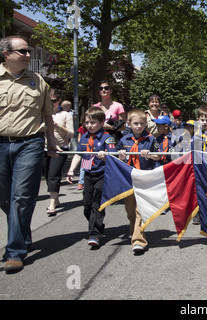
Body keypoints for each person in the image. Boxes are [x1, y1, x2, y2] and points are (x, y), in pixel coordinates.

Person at [0, 35, 61, 273]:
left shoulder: (39, 82)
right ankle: (23, 236)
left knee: (21, 197)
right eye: (23, 51)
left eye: (28, 51)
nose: (28, 55)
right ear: (7, 54)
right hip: (1, 145)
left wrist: (51, 142)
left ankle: (14, 252)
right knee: (5, 198)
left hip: (30, 144)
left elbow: (48, 116)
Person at [66, 107, 117, 247]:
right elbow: (78, 154)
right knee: (87, 206)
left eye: (93, 122)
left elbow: (114, 157)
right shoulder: (84, 137)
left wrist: (105, 156)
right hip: (88, 174)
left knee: (96, 205)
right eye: (87, 122)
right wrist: (71, 170)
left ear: (101, 123)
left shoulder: (107, 138)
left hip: (102, 174)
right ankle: (98, 225)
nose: (89, 125)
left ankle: (94, 234)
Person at [117, 108, 156, 253]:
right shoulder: (124, 140)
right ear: (129, 124)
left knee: (140, 210)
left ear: (146, 124)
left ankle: (139, 240)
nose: (139, 126)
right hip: (128, 178)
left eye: (141, 123)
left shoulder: (150, 139)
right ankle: (135, 230)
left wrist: (150, 155)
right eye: (135, 124)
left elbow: (159, 156)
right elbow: (117, 159)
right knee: (130, 211)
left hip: (144, 178)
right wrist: (120, 156)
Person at [43, 90, 74, 216]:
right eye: (49, 101)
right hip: (44, 148)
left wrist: (57, 126)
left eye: (54, 100)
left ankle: (51, 205)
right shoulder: (43, 114)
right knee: (46, 174)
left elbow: (71, 133)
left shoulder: (65, 115)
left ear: (59, 101)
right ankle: (56, 199)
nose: (52, 103)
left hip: (60, 148)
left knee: (53, 174)